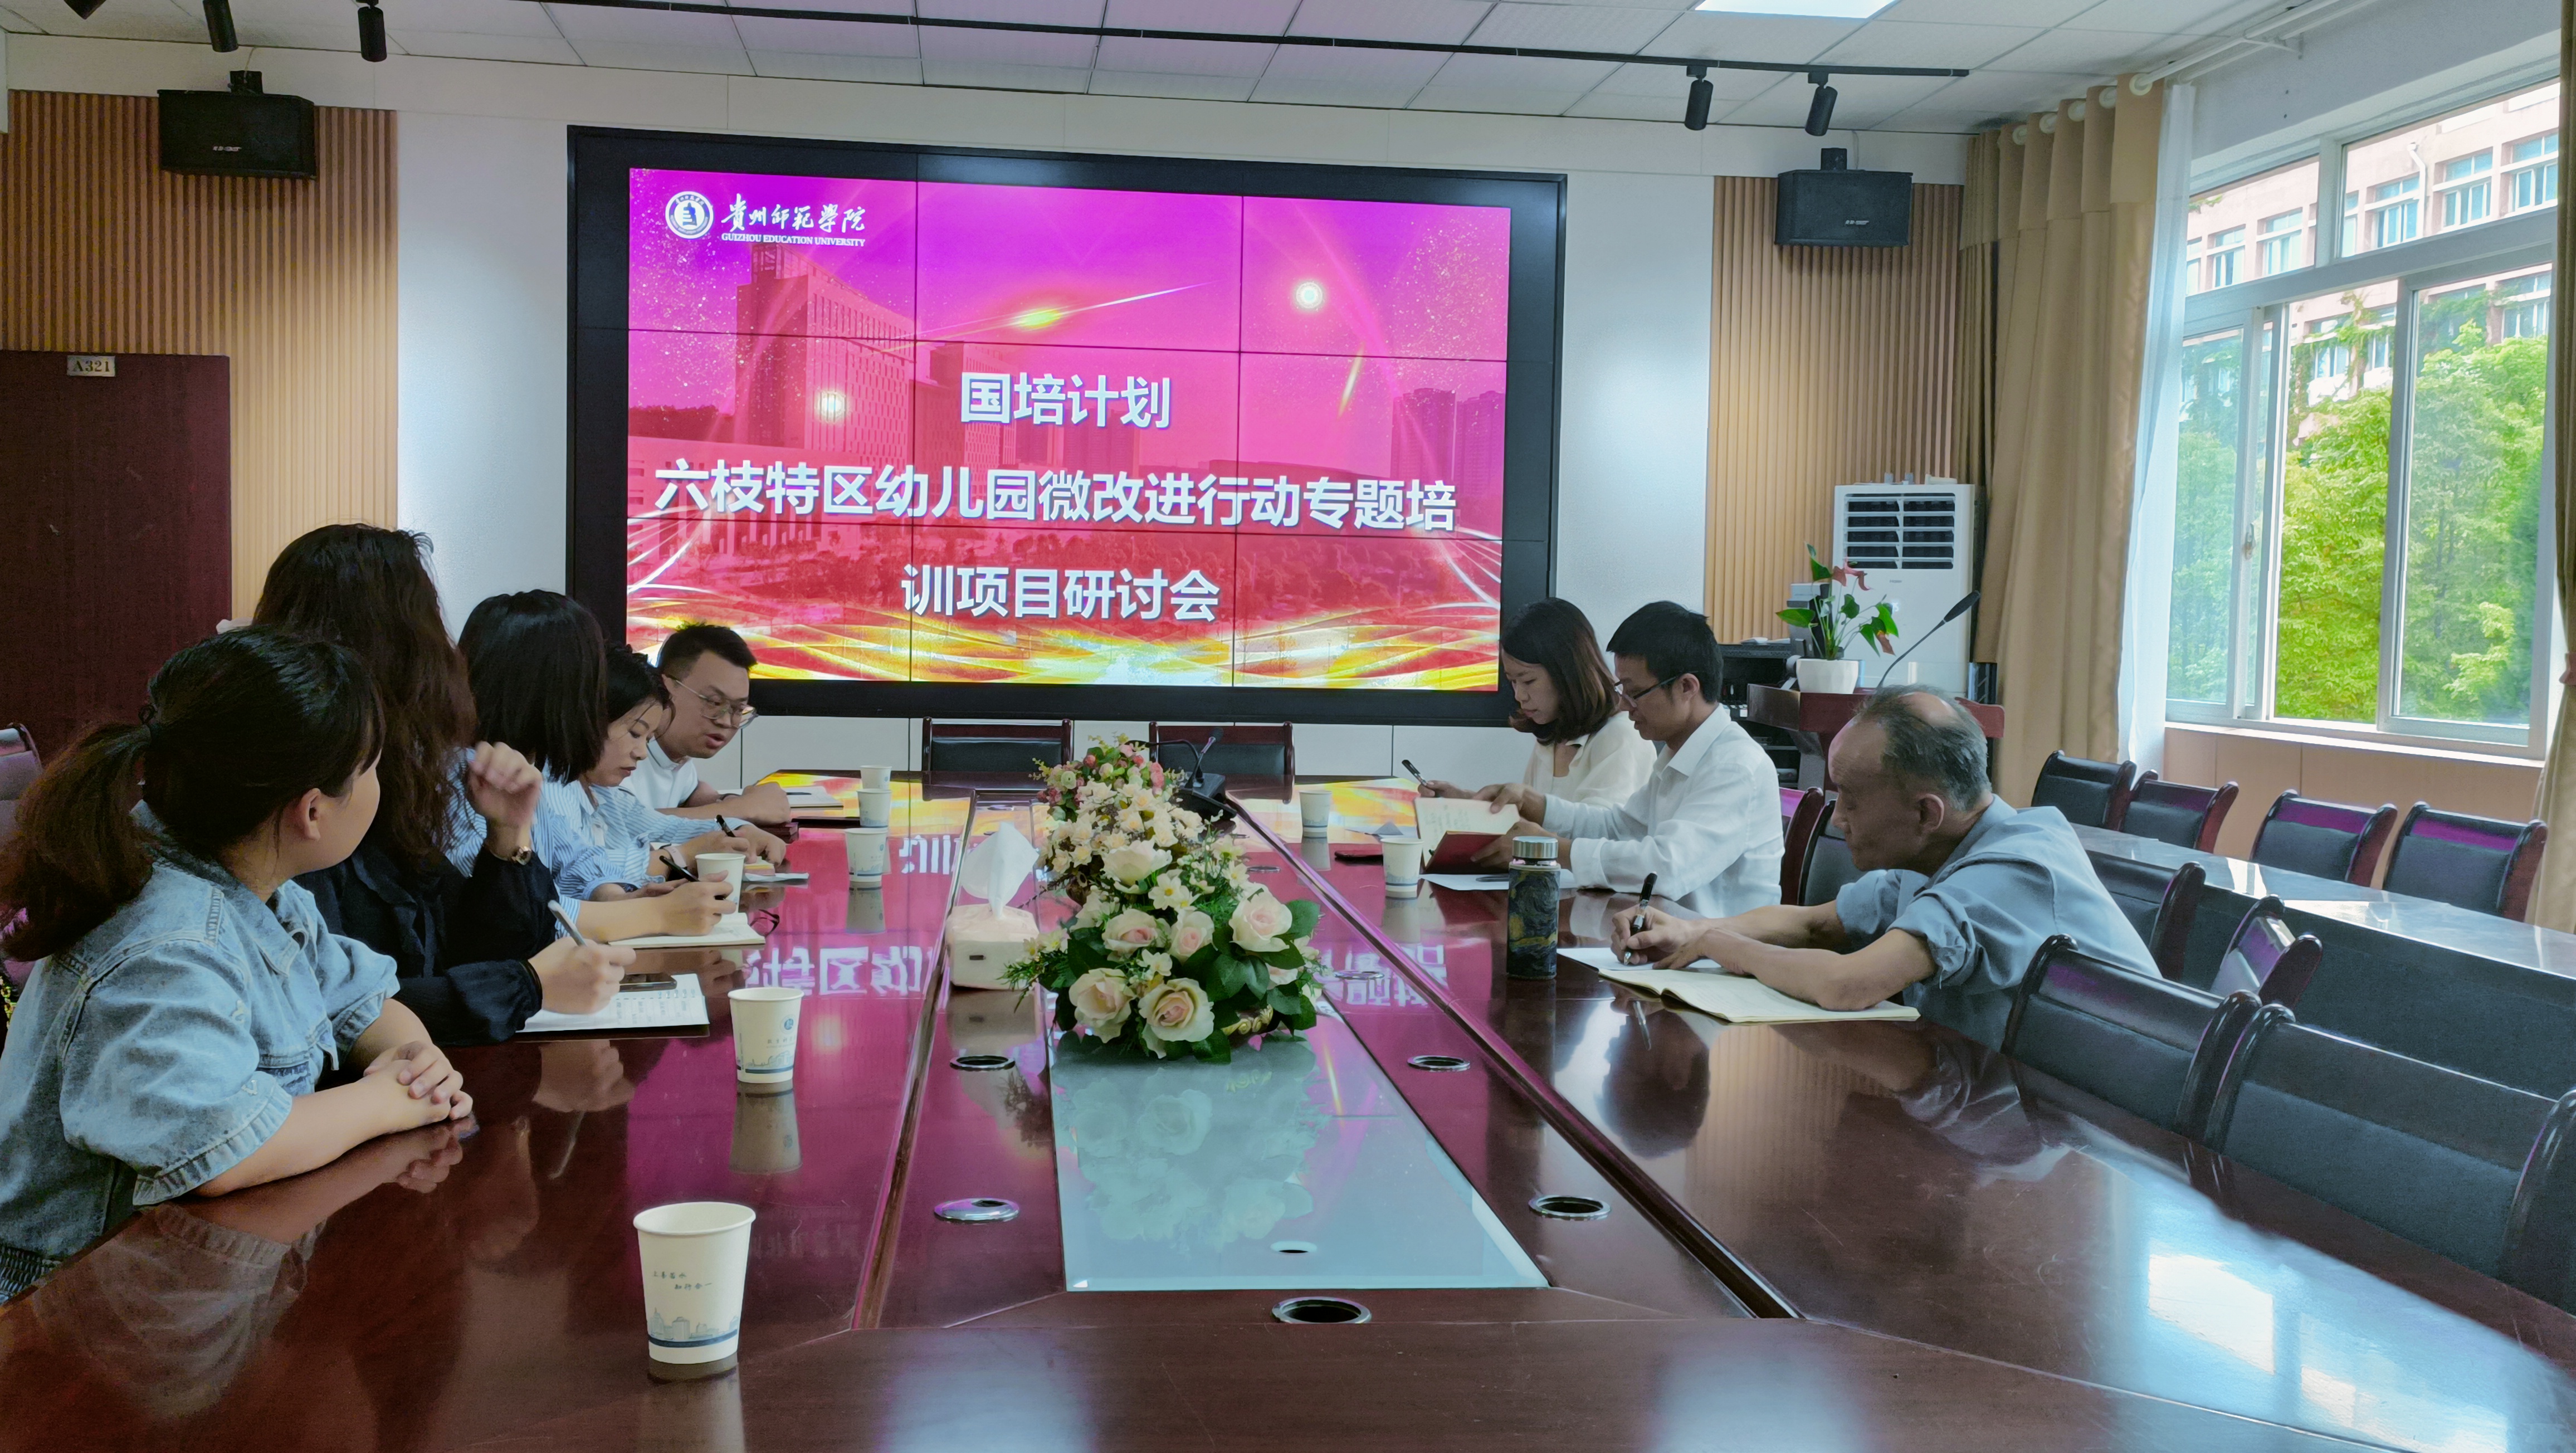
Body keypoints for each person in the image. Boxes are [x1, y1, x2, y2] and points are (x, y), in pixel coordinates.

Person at [0, 629, 473, 1299]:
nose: (381, 781)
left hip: (187, 1272)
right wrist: (389, 1099)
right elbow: (221, 1150)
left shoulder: (256, 882)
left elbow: (359, 999)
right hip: (74, 1297)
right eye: (370, 767)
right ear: (312, 810)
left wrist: (412, 1060)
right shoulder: (166, 944)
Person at [1612, 686, 2159, 1049]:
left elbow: (1848, 984)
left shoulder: (2012, 870)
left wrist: (1720, 945)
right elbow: (1815, 925)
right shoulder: (1938, 848)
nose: (1837, 819)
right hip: (2009, 1098)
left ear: (1925, 813)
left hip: (2106, 1138)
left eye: (1850, 800)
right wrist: (1690, 931)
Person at [252, 525, 630, 1043]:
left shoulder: (398, 778)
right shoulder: (305, 797)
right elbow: (335, 1010)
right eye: (431, 624)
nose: (449, 653)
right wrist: (527, 985)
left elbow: (474, 947)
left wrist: (509, 836)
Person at [457, 592, 743, 942]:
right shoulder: (467, 776)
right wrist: (652, 914)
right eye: (589, 686)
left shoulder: (529, 767)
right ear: (545, 686)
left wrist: (621, 901)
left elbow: (574, 858)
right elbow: (509, 915)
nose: (595, 708)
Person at [1471, 601, 1783, 918]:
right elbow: (1619, 827)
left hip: (1719, 947)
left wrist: (1552, 848)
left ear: (1687, 687)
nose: (1624, 705)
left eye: (1635, 692)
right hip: (1670, 936)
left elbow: (1666, 868)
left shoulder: (1734, 766)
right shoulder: (1679, 754)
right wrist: (1539, 806)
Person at [541, 646, 762, 904]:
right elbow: (571, 871)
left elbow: (667, 827)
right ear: (589, 718)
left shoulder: (604, 793)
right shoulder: (553, 784)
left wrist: (742, 830)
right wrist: (681, 855)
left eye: (647, 739)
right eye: (635, 733)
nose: (642, 753)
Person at [1419, 597, 1653, 808]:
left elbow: (1598, 833)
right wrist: (1468, 801)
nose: (1519, 696)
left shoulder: (1621, 736)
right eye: (1513, 681)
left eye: (1528, 681)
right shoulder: (1552, 736)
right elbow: (1531, 819)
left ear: (1568, 673)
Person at [629, 623, 793, 828]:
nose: (725, 722)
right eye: (714, 702)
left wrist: (725, 801)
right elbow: (621, 826)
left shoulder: (675, 751)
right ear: (666, 687)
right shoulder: (622, 748)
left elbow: (692, 792)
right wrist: (743, 809)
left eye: (737, 709)